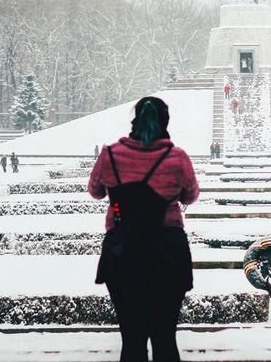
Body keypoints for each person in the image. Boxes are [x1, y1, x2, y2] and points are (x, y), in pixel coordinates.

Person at [88, 96, 199, 362]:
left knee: (132, 340)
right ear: (165, 122)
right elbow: (190, 196)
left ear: (135, 120)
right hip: (168, 250)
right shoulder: (177, 158)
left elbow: (96, 191)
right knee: (164, 338)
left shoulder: (111, 155)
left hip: (122, 249)